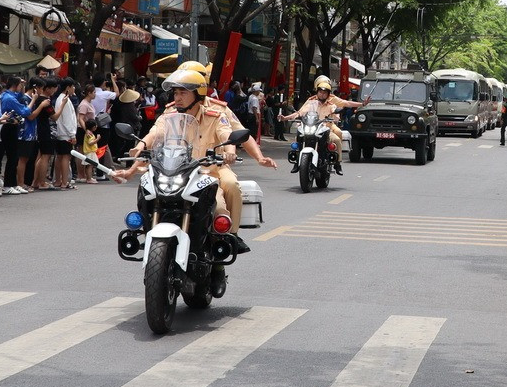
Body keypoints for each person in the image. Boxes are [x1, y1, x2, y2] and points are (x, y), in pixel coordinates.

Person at [116, 67, 276, 253]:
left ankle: (229, 235)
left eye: (183, 92)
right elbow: (155, 134)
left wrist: (234, 152)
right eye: (175, 92)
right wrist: (138, 152)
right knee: (147, 186)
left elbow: (229, 134)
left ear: (198, 91)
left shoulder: (216, 113)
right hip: (176, 170)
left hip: (210, 169)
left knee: (229, 187)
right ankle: (148, 229)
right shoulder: (170, 114)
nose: (177, 97)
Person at [281, 77, 369, 175]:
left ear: (328, 93)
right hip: (311, 126)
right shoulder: (311, 102)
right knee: (299, 135)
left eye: (324, 92)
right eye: (320, 92)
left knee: (336, 139)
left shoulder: (331, 102)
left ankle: (338, 163)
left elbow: (345, 104)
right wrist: (285, 118)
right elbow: (299, 113)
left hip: (326, 127)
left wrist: (361, 104)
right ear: (317, 90)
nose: (322, 94)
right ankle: (297, 161)